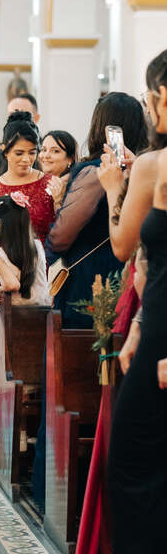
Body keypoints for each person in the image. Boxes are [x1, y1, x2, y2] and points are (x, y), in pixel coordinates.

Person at [107, 147, 167, 554]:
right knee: (134, 467)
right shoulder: (154, 163)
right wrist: (141, 327)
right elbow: (144, 260)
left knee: (144, 468)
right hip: (155, 335)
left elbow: (125, 246)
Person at [45, 92, 147, 328]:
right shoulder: (143, 167)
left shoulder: (95, 171)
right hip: (127, 271)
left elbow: (62, 235)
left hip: (91, 277)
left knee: (82, 356)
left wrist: (51, 251)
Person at [98, 49, 167, 372]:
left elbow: (122, 246)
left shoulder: (154, 164)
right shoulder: (148, 163)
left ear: (161, 97)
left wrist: (115, 189)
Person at [0, 194, 51, 471]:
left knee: (0, 386)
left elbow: (13, 281)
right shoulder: (38, 247)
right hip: (40, 321)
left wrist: (2, 286)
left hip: (11, 324)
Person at [0, 111, 55, 253]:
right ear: (5, 151)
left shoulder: (50, 184)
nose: (26, 159)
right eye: (19, 153)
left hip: (40, 266)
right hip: (3, 268)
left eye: (32, 152)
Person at [39, 129, 77, 209]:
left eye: (55, 151)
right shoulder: (40, 180)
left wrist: (58, 201)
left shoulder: (75, 187)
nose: (46, 155)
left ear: (71, 158)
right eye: (44, 150)